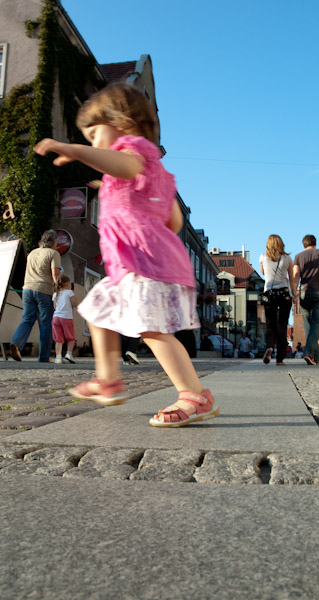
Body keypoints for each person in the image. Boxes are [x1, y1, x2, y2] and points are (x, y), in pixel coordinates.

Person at [34, 82, 218, 427]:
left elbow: (124, 164)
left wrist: (74, 150)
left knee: (152, 331)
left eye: (92, 133)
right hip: (133, 263)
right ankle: (108, 380)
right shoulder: (157, 173)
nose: (91, 142)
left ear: (119, 121)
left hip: (147, 263)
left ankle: (195, 395)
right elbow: (174, 220)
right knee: (98, 309)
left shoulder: (134, 149)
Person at [10, 229, 61, 363]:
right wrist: (58, 290)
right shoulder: (53, 253)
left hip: (27, 288)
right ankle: (43, 357)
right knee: (45, 324)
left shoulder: (32, 253)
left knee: (27, 320)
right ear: (53, 241)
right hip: (43, 290)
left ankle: (16, 343)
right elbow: (55, 274)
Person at [293, 235, 319, 366]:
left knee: (308, 325)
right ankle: (309, 352)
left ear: (303, 245)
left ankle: (315, 358)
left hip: (305, 293)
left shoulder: (298, 256)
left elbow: (296, 276)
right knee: (316, 324)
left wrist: (294, 293)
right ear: (315, 243)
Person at [259, 234, 296, 366]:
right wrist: (295, 294)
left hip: (269, 293)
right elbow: (291, 279)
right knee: (282, 325)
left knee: (270, 324)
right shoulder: (287, 258)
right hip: (284, 294)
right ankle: (280, 358)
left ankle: (269, 347)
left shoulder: (263, 257)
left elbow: (263, 272)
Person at [52, 274, 78, 364]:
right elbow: (74, 303)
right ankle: (69, 354)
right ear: (67, 284)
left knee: (58, 338)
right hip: (66, 317)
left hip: (56, 318)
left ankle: (58, 357)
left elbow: (55, 307)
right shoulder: (69, 292)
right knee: (70, 337)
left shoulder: (55, 294)